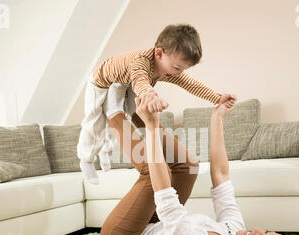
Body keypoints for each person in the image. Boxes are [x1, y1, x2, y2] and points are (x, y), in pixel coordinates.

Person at [99, 92, 299, 235]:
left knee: (153, 177)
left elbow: (165, 197)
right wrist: (217, 116)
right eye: (264, 231)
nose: (255, 230)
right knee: (187, 167)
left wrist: (152, 126)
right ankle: (136, 112)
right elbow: (221, 176)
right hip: (153, 225)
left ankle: (113, 112)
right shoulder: (234, 232)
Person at [77, 23, 236, 184]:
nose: (179, 73)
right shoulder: (141, 63)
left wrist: (217, 98)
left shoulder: (169, 68)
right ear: (159, 53)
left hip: (126, 82)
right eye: (177, 68)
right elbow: (140, 82)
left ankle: (105, 149)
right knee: (96, 119)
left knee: (131, 114)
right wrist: (151, 96)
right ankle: (86, 159)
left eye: (183, 69)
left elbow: (191, 84)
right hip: (101, 82)